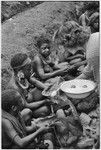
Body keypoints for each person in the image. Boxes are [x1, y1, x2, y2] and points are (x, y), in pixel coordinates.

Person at [7, 52, 52, 118]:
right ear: (19, 70)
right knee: (46, 109)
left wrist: (48, 90)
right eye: (28, 67)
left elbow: (35, 82)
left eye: (31, 65)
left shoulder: (22, 75)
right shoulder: (15, 87)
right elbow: (26, 106)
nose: (31, 69)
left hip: (29, 97)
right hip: (24, 110)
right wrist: (44, 101)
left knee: (47, 86)